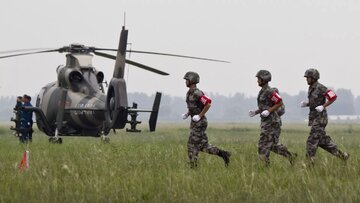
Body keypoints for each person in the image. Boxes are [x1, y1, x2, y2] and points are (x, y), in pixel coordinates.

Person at [182, 71, 231, 168]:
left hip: (200, 122)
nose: (185, 82)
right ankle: (224, 154)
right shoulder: (189, 93)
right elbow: (193, 106)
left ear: (192, 80)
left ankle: (193, 165)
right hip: (195, 121)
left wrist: (200, 115)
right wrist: (187, 114)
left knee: (191, 144)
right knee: (203, 146)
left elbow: (208, 103)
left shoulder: (197, 93)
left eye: (187, 80)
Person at [249, 70, 297, 166]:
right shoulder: (262, 91)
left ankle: (265, 167)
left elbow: (279, 102)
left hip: (271, 123)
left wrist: (269, 111)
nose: (257, 81)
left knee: (263, 145)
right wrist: (255, 112)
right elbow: (265, 107)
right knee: (272, 145)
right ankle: (290, 155)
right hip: (267, 122)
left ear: (264, 79)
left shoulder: (270, 91)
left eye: (258, 79)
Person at [301, 68, 349, 164]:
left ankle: (310, 165)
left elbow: (333, 97)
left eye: (308, 77)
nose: (306, 79)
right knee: (323, 141)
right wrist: (307, 104)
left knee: (311, 142)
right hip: (314, 118)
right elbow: (314, 102)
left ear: (314, 78)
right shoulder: (311, 88)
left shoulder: (321, 88)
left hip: (320, 119)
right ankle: (342, 156)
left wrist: (323, 106)